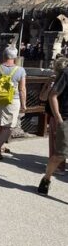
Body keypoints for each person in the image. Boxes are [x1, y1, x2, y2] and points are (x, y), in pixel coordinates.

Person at [38, 63, 68, 195]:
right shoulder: (66, 74)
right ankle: (46, 178)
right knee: (59, 154)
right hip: (64, 118)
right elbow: (49, 96)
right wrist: (59, 118)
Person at [0, 47, 27, 159]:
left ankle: (0, 146)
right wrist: (23, 104)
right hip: (12, 100)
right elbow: (22, 89)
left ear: (4, 56)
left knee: (0, 124)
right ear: (15, 57)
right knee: (9, 126)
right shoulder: (20, 70)